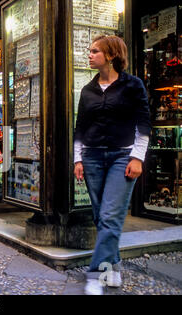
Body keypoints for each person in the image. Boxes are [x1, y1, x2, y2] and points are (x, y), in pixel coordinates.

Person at [73, 35, 151, 295]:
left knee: (110, 217)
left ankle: (96, 276)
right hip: (92, 157)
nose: (89, 54)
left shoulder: (133, 86)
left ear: (111, 55)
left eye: (94, 51)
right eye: (90, 50)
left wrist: (137, 157)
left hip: (122, 157)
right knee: (100, 217)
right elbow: (80, 129)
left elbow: (144, 124)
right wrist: (78, 159)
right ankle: (113, 267)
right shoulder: (88, 90)